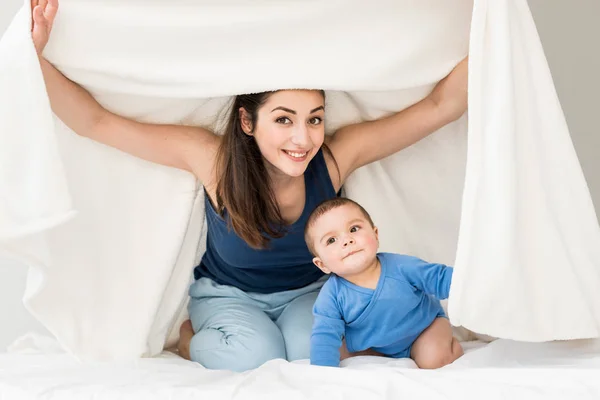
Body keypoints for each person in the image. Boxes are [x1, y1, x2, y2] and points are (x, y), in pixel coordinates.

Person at [31, 0, 468, 372]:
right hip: (228, 296)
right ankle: (187, 338)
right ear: (247, 121)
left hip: (307, 294)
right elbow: (96, 122)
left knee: (307, 356)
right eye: (283, 119)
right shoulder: (213, 161)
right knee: (253, 357)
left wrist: (499, 30)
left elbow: (438, 106)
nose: (303, 139)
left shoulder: (334, 159)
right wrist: (32, 56)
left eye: (314, 118)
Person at [304, 197, 464, 368]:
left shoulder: (402, 267)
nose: (347, 240)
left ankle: (450, 348)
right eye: (331, 240)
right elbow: (325, 335)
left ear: (376, 234)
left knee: (433, 359)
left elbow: (444, 280)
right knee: (332, 353)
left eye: (354, 229)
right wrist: (322, 376)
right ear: (322, 264)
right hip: (375, 346)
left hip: (424, 329)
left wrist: (477, 287)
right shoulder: (331, 296)